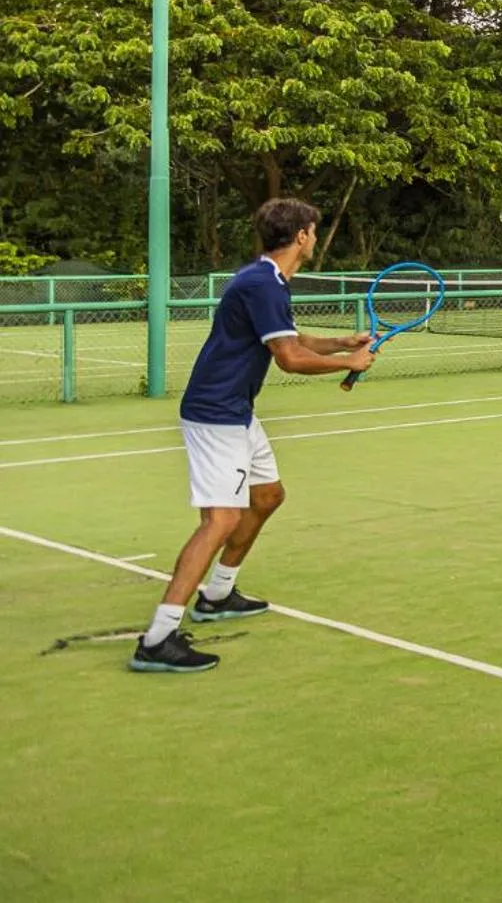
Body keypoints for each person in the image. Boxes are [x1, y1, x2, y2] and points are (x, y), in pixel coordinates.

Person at [129, 199, 376, 674]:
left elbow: (288, 338)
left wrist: (340, 343)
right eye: (313, 231)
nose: (315, 238)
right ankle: (158, 638)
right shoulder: (263, 283)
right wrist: (347, 364)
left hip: (237, 411)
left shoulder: (267, 280)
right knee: (220, 520)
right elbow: (288, 358)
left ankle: (218, 593)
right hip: (216, 414)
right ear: (302, 236)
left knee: (267, 496)